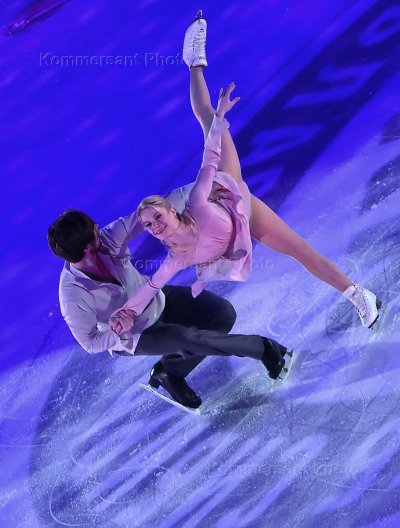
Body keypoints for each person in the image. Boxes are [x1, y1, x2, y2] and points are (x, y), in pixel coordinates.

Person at [114, 11, 381, 330]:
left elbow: (209, 159)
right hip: (228, 238)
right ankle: (196, 69)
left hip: (233, 197)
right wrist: (125, 313)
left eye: (157, 217)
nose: (154, 226)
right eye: (148, 224)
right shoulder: (177, 257)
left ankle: (359, 295)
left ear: (172, 209)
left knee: (299, 249)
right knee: (209, 119)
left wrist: (220, 119)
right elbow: (151, 287)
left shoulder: (196, 202)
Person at [47, 207, 290, 410]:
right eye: (94, 230)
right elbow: (89, 343)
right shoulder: (72, 296)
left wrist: (202, 189)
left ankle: (169, 373)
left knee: (222, 314)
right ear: (88, 248)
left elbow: (146, 213)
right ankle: (262, 349)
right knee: (190, 339)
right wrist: (116, 332)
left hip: (157, 298)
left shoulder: (109, 238)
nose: (98, 227)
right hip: (137, 335)